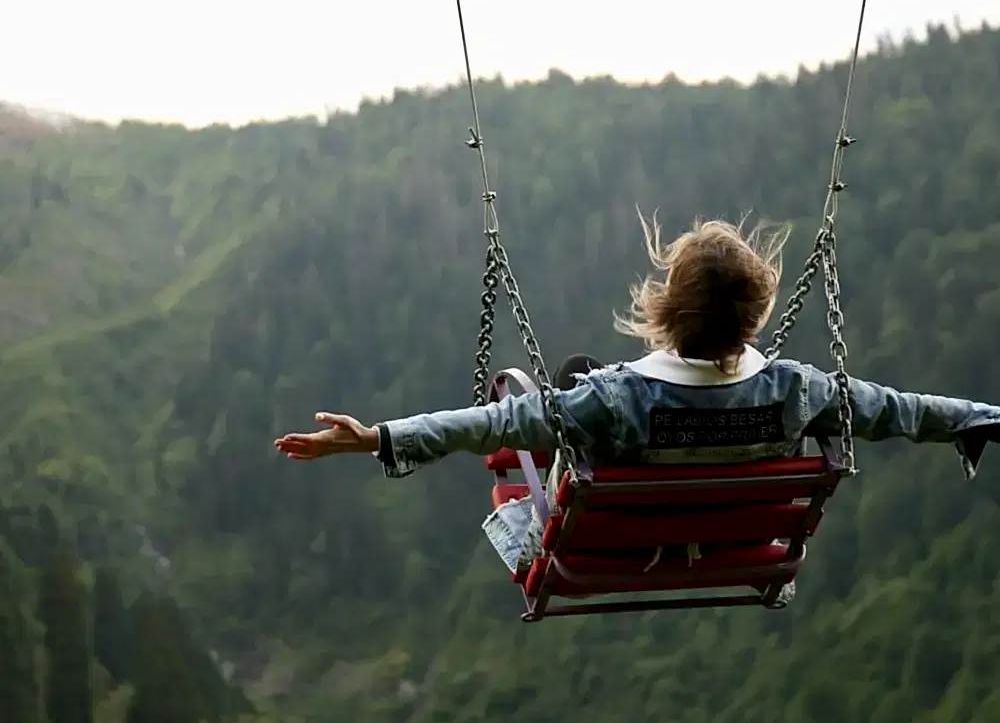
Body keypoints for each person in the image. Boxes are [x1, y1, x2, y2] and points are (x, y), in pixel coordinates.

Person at [274, 214, 1000, 583]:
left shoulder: (611, 400)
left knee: (515, 470)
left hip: (613, 554)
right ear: (754, 313)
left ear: (666, 309)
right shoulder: (798, 390)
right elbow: (902, 410)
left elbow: (490, 421)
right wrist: (980, 417)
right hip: (736, 543)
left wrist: (374, 437)